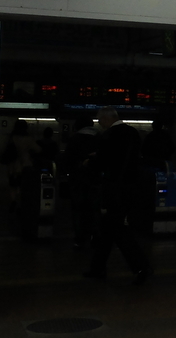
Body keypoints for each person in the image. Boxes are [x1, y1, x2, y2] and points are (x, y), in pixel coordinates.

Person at [84, 107, 152, 284]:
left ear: (107, 119)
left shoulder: (109, 135)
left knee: (117, 230)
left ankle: (141, 267)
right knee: (107, 230)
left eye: (99, 120)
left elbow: (103, 163)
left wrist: (91, 160)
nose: (99, 124)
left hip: (114, 190)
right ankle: (97, 268)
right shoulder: (133, 133)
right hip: (130, 188)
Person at [62, 116, 100, 248]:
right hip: (96, 179)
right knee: (94, 209)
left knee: (78, 209)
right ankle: (95, 236)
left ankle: (80, 238)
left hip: (77, 179)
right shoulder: (100, 138)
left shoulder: (74, 139)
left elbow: (67, 161)